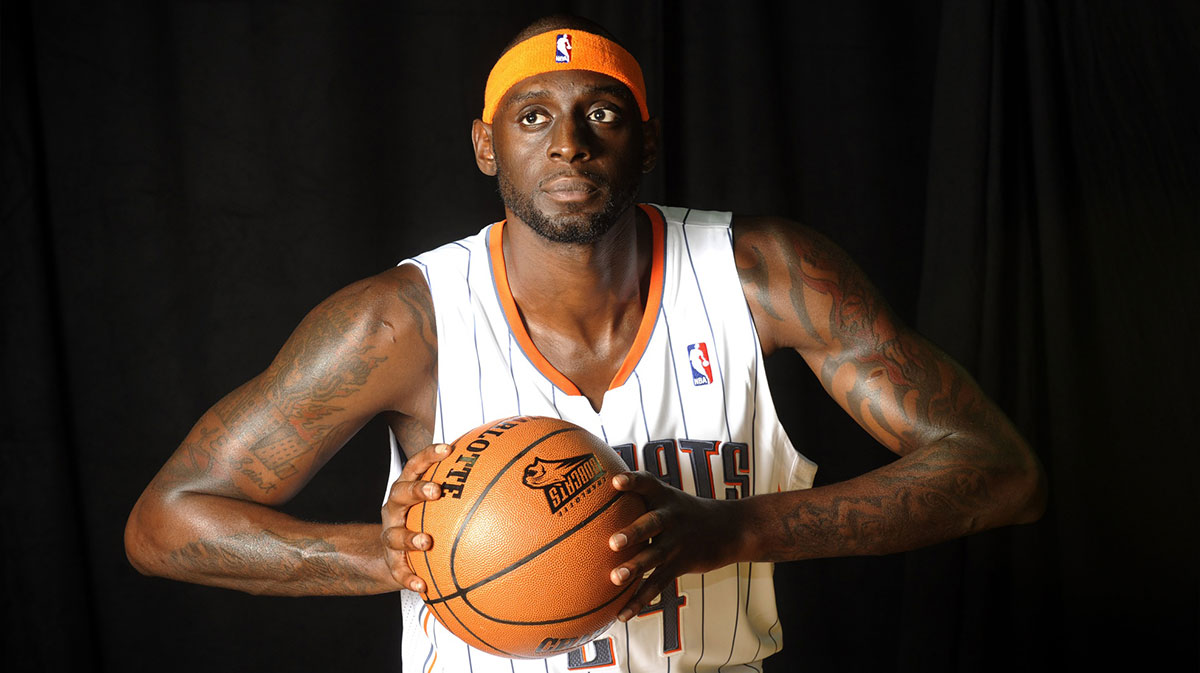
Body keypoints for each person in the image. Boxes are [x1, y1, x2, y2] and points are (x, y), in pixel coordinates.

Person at [125, 14, 1046, 673]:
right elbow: (166, 523)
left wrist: (731, 531)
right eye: (532, 117)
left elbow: (1000, 471)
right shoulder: (402, 320)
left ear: (646, 140)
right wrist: (389, 558)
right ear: (487, 146)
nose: (568, 144)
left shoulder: (764, 273)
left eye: (600, 113)